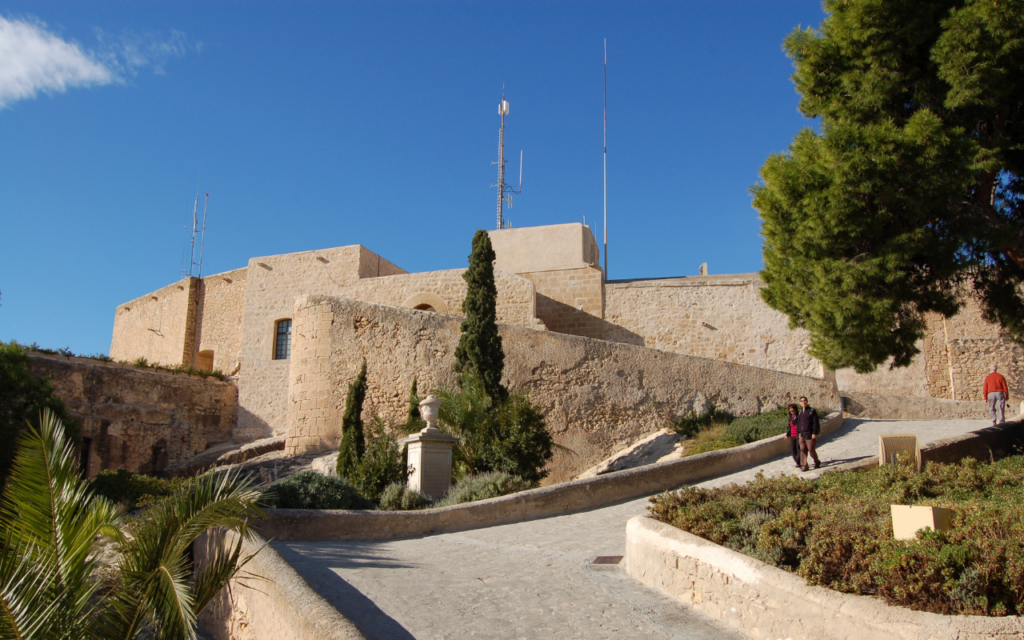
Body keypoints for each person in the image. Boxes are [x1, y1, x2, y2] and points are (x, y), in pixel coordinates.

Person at [796, 396, 820, 471]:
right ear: (800, 403)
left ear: (807, 401)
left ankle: (817, 461)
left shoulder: (811, 411)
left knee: (811, 450)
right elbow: (799, 423)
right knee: (803, 449)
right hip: (802, 434)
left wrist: (814, 433)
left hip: (809, 434)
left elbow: (816, 423)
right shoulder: (800, 412)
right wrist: (799, 432)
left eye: (805, 400)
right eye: (802, 401)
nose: (803, 402)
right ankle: (804, 466)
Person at [787, 403, 801, 469]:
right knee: (793, 449)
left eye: (793, 410)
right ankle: (797, 462)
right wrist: (787, 434)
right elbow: (789, 427)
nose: (792, 412)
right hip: (792, 435)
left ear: (796, 410)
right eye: (790, 411)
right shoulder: (791, 418)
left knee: (798, 449)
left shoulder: (799, 417)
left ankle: (799, 462)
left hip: (798, 435)